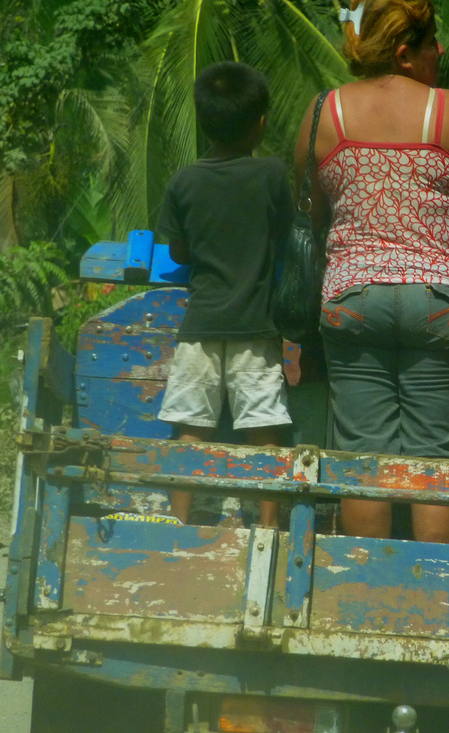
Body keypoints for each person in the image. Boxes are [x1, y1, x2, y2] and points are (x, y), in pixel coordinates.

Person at [294, 0, 449, 543]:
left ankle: (366, 601)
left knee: (364, 464)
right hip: (439, 302)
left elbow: (313, 214)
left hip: (352, 299)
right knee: (435, 461)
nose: (442, 52)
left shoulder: (324, 113)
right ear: (406, 53)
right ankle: (435, 596)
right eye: (433, 43)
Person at [156, 61, 294, 527]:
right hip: (255, 328)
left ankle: (179, 525)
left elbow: (177, 250)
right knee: (264, 430)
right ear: (259, 123)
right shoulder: (272, 175)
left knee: (191, 430)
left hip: (200, 327)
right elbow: (283, 234)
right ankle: (269, 529)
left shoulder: (183, 182)